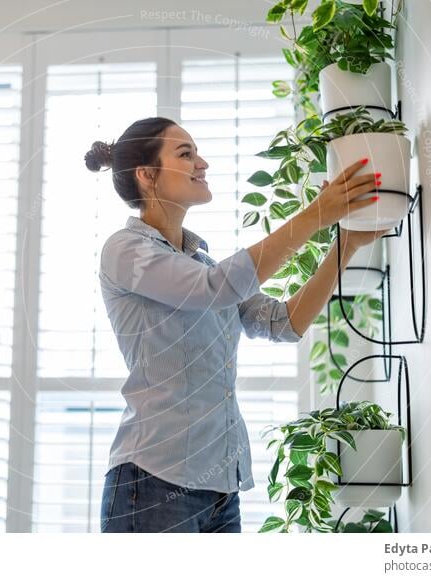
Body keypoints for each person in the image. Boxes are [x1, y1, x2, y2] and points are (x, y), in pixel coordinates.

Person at [85, 117, 388, 533]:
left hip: (221, 493)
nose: (202, 163)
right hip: (151, 485)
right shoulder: (126, 251)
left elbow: (283, 323)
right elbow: (212, 289)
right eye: (185, 154)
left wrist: (345, 244)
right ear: (146, 175)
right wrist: (314, 215)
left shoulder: (202, 264)